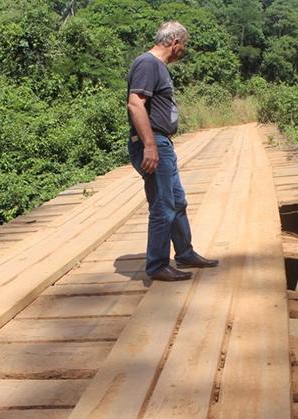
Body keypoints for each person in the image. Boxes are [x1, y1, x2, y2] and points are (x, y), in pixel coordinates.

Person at [126, 21, 218, 282]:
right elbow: (135, 104)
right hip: (152, 142)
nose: (184, 51)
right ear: (175, 42)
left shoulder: (157, 66)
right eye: (184, 46)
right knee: (163, 206)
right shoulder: (148, 63)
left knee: (177, 202)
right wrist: (150, 146)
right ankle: (156, 266)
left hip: (161, 143)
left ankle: (185, 253)